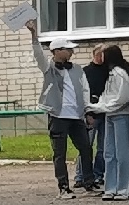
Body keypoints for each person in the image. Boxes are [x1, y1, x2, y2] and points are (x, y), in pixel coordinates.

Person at [29, 25, 95, 195]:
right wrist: (34, 35)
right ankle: (63, 186)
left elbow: (85, 90)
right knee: (60, 153)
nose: (71, 52)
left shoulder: (77, 69)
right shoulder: (48, 68)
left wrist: (88, 111)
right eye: (68, 49)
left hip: (77, 115)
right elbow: (38, 55)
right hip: (58, 115)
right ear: (57, 51)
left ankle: (89, 182)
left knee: (86, 148)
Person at [87, 43, 129, 200]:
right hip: (109, 115)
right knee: (109, 153)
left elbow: (122, 97)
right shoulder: (110, 74)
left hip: (122, 115)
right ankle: (111, 187)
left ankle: (125, 189)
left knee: (123, 153)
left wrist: (101, 107)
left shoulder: (120, 74)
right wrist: (97, 106)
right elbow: (106, 96)